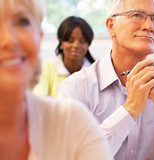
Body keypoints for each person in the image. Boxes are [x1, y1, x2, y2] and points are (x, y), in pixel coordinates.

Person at [58, 0, 154, 159]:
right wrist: (131, 108)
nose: (149, 26)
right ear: (111, 26)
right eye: (137, 15)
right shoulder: (77, 87)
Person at [0, 0, 112, 159]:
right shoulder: (49, 67)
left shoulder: (73, 120)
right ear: (61, 43)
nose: (9, 40)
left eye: (22, 22)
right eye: (70, 40)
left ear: (39, 37)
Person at [33, 16, 95, 98]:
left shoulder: (94, 71)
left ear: (88, 44)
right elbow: (39, 98)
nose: (76, 45)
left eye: (82, 41)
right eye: (70, 41)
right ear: (61, 43)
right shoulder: (46, 66)